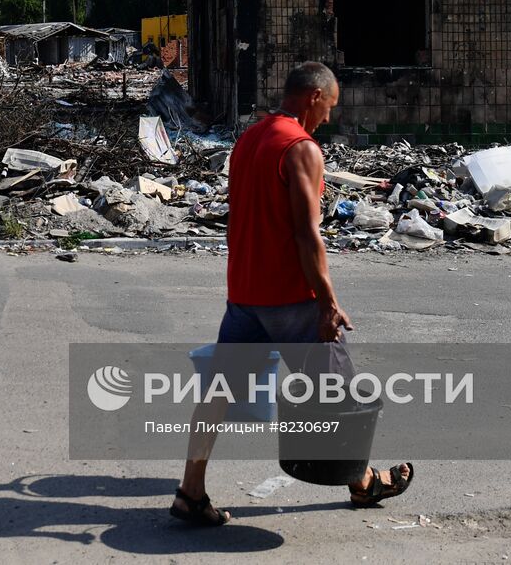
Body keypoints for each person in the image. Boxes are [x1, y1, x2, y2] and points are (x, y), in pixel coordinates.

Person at [169, 61, 413, 527]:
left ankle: (190, 491)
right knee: (339, 390)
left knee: (217, 395)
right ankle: (362, 485)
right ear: (314, 97)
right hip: (291, 298)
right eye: (330, 107)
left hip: (244, 293)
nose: (328, 118)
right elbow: (307, 234)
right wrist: (327, 302)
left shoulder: (248, 140)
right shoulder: (301, 148)